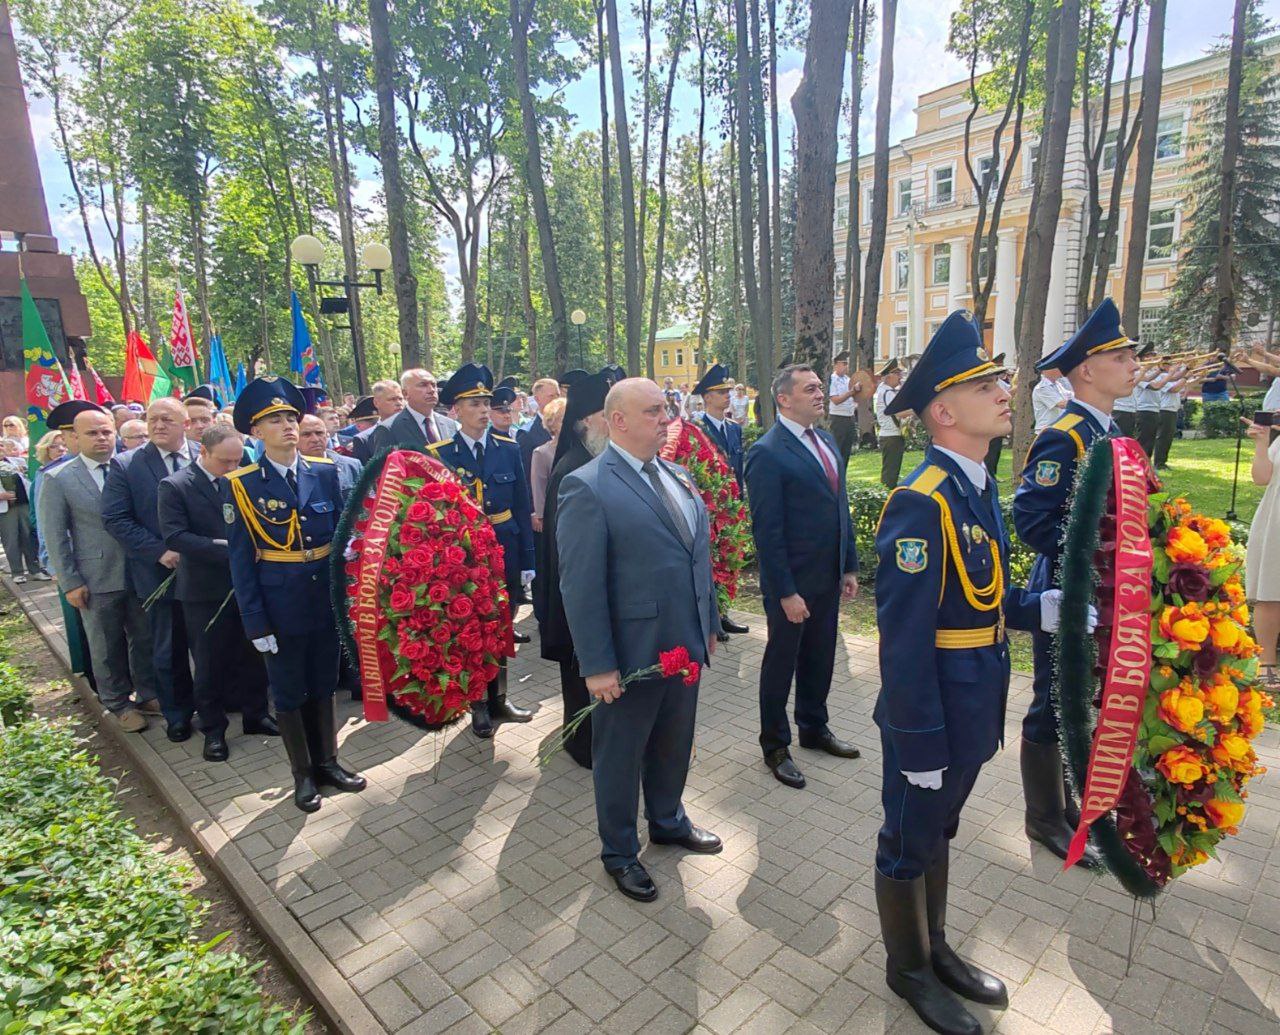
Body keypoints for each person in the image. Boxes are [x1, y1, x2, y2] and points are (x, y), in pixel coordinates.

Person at [872, 311, 1062, 1035]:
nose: (1003, 390)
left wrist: (1036, 606)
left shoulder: (974, 484)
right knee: (908, 836)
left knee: (939, 829)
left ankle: (937, 945)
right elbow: (905, 637)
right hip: (934, 709)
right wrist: (917, 743)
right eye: (985, 383)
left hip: (975, 696)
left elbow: (978, 594)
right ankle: (909, 967)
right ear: (944, 410)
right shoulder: (921, 499)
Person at [556, 377, 722, 901]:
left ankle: (668, 819)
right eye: (653, 411)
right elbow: (579, 585)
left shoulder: (677, 474)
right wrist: (597, 665)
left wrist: (708, 623)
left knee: (675, 742)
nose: (666, 418)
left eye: (666, 408)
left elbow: (697, 558)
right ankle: (620, 851)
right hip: (628, 657)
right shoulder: (586, 485)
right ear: (618, 420)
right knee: (621, 755)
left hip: (683, 645)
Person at [1013, 297, 1140, 868]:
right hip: (1070, 593)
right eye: (1122, 355)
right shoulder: (1065, 435)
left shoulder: (1111, 431)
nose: (1134, 363)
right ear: (1087, 368)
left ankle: (1073, 806)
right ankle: (1044, 817)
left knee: (1085, 702)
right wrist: (1100, 557)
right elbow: (1032, 521)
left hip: (1110, 592)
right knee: (1053, 703)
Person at [224, 376, 365, 813]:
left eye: (290, 417)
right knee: (288, 692)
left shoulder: (325, 473)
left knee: (323, 683)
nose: (287, 426)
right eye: (275, 420)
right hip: (278, 604)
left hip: (323, 599)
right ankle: (302, 775)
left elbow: (345, 542)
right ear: (255, 431)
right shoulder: (241, 484)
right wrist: (256, 621)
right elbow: (242, 561)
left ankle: (329, 762)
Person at [745, 364, 860, 790]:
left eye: (820, 387)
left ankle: (814, 727)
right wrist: (786, 592)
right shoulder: (767, 452)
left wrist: (848, 564)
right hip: (791, 584)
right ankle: (775, 744)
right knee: (782, 662)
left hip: (827, 577)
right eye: (810, 388)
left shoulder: (826, 440)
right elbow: (767, 532)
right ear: (784, 399)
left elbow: (839, 507)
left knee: (820, 655)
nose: (820, 394)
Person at [424, 364, 535, 737]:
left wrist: (528, 561)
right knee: (470, 629)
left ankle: (500, 697)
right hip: (464, 557)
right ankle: (479, 704)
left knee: (502, 625)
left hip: (505, 547)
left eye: (487, 401)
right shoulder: (439, 454)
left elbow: (522, 504)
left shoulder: (508, 448)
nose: (484, 409)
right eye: (475, 402)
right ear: (455, 409)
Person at [157, 424, 277, 761]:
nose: (232, 468)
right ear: (203, 453)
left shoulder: (242, 479)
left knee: (253, 653)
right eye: (225, 461)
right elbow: (176, 536)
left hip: (247, 585)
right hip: (204, 590)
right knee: (210, 663)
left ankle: (256, 714)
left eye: (238, 460)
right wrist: (231, 549)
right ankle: (213, 730)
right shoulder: (175, 486)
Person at [38, 403, 159, 732]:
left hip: (138, 571)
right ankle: (117, 702)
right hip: (95, 577)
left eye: (107, 431)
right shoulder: (59, 479)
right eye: (92, 433)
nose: (102, 438)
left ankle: (148, 693)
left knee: (144, 636)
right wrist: (70, 581)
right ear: (74, 437)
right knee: (106, 644)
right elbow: (55, 535)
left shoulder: (131, 467)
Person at [101, 397, 199, 741]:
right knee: (168, 649)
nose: (157, 425)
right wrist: (159, 551)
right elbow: (115, 518)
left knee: (211, 645)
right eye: (152, 419)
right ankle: (178, 715)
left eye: (167, 420)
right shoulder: (127, 465)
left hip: (208, 573)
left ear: (185, 424)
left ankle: (220, 704)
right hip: (160, 574)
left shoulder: (207, 454)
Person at [536, 372, 613, 768]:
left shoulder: (596, 457)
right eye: (607, 415)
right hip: (574, 593)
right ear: (585, 421)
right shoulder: (572, 468)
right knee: (579, 671)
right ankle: (581, 744)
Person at [693, 363, 749, 641]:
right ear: (706, 397)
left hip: (731, 508)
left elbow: (738, 469)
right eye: (720, 391)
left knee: (728, 562)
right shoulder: (695, 429)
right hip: (708, 510)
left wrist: (740, 502)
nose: (727, 395)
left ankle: (723, 614)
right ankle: (710, 619)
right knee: (709, 563)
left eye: (728, 390)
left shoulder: (733, 429)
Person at [1246, 414, 1280, 687]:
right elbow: (1261, 477)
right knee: (1271, 591)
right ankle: (1266, 662)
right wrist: (1262, 442)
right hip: (1276, 518)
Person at [370, 369, 458, 455]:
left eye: (433, 385)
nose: (431, 390)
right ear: (405, 393)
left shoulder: (450, 424)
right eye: (423, 385)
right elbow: (385, 467)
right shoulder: (389, 429)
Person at [0, 436, 42, 583]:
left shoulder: (16, 461)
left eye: (1, 446)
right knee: (11, 540)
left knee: (29, 536)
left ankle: (35, 569)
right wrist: (1, 496)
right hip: (5, 509)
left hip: (24, 504)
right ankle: (17, 572)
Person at [298, 413, 361, 497]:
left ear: (327, 434)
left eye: (319, 433)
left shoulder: (351, 466)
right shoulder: (291, 471)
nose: (315, 439)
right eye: (306, 434)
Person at [517, 377, 561, 494]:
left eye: (558, 395)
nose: (556, 400)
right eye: (551, 396)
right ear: (537, 399)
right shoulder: (527, 433)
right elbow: (526, 478)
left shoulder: (568, 428)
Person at [530, 396, 567, 531]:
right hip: (554, 518)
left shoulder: (579, 451)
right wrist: (541, 516)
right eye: (564, 420)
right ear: (553, 423)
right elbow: (539, 487)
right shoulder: (542, 453)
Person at [350, 379, 406, 461]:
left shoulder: (414, 428)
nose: (399, 403)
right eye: (392, 399)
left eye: (400, 399)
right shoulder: (364, 439)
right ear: (376, 403)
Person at [874, 359, 906, 489]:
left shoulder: (887, 391)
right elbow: (898, 413)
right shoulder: (887, 392)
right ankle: (886, 498)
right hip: (891, 436)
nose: (900, 377)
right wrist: (916, 410)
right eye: (897, 374)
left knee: (892, 470)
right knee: (890, 473)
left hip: (891, 435)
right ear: (889, 376)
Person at [827, 351, 859, 468]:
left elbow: (853, 398)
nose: (846, 366)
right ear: (835, 365)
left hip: (849, 417)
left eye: (847, 363)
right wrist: (851, 392)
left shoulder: (848, 379)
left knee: (846, 451)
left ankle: (842, 478)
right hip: (838, 418)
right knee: (837, 450)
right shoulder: (832, 379)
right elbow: (835, 400)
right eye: (843, 363)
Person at [1153, 363, 1187, 470]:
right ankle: (1159, 463)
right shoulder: (1162, 377)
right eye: (1169, 364)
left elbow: (1184, 386)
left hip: (1171, 410)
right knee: (1163, 437)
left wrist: (1198, 376)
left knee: (1167, 438)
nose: (1172, 366)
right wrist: (1186, 376)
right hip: (1165, 410)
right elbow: (1174, 389)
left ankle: (1162, 461)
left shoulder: (1170, 378)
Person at [1031, 367, 1073, 432]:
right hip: (1046, 430)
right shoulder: (1042, 388)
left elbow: (1071, 395)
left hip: (1057, 429)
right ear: (1048, 370)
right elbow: (1061, 404)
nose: (1061, 369)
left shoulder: (1058, 384)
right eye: (1057, 367)